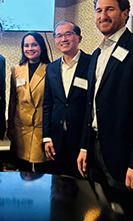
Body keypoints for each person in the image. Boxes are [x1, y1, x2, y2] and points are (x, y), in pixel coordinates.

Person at [77, 0, 133, 216]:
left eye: (109, 9)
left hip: (125, 156)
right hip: (96, 151)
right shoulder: (97, 53)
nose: (102, 15)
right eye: (98, 10)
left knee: (127, 212)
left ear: (125, 14)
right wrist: (85, 146)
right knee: (101, 210)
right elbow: (91, 104)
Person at [43, 21, 91, 178]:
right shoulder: (51, 68)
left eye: (68, 34)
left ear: (79, 38)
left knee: (83, 189)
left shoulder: (91, 63)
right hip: (57, 139)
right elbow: (48, 104)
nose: (63, 39)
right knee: (58, 187)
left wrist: (85, 144)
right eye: (59, 35)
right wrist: (47, 136)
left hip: (82, 139)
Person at [7, 32, 50, 172]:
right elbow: (13, 99)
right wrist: (11, 125)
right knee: (22, 170)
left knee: (42, 170)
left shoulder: (51, 69)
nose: (30, 48)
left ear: (41, 47)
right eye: (26, 45)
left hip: (41, 127)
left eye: (34, 44)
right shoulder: (16, 70)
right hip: (21, 127)